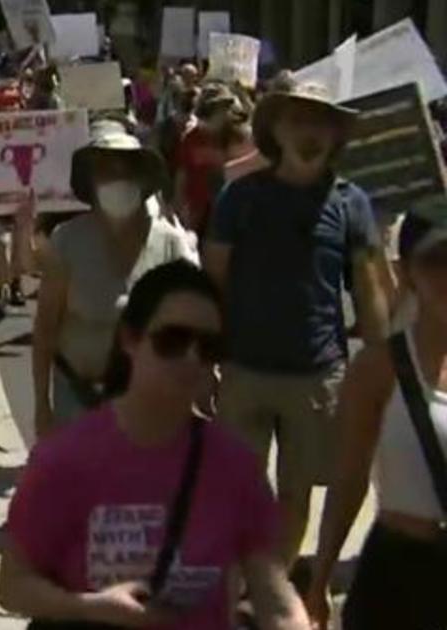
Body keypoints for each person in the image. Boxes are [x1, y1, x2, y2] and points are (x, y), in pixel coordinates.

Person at [0, 261, 310, 630]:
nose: (192, 358)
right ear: (130, 340)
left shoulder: (235, 466)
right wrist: (89, 606)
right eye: (172, 341)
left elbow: (273, 594)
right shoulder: (64, 458)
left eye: (209, 347)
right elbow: (12, 586)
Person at [204, 80, 391, 569]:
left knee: (296, 491)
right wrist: (203, 358)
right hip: (242, 371)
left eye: (322, 123)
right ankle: (240, 579)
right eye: (298, 120)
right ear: (275, 131)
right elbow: (212, 282)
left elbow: (369, 294)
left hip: (317, 375)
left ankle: (276, 582)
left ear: (336, 136)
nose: (310, 132)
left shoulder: (353, 204)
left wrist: (381, 375)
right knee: (238, 487)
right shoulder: (238, 197)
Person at [305, 213, 447, 630]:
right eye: (434, 260)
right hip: (404, 574)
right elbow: (349, 478)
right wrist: (321, 576)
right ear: (405, 272)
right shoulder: (380, 368)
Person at [33, 121, 197, 436]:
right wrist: (41, 404)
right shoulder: (67, 240)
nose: (117, 179)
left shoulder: (169, 243)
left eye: (126, 171)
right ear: (91, 183)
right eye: (106, 171)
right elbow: (44, 329)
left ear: (143, 178)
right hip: (77, 399)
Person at [174, 83, 244, 240]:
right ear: (209, 110)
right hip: (197, 213)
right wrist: (179, 207)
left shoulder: (235, 137)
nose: (226, 113)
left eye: (227, 107)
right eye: (222, 108)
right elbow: (182, 175)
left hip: (228, 213)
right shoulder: (191, 138)